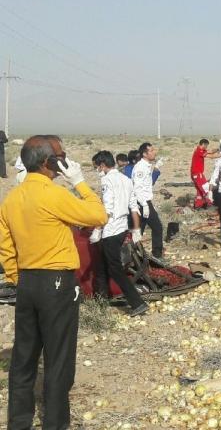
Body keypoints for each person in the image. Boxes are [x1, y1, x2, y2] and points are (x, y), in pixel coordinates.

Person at [0, 135, 108, 430]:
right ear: (50, 163)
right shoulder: (53, 195)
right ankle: (55, 424)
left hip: (26, 282)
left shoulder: (12, 198)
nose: (65, 159)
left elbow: (6, 247)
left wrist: (17, 278)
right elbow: (98, 215)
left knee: (24, 357)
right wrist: (80, 182)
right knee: (58, 359)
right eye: (62, 155)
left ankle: (19, 423)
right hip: (56, 282)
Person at [90, 150, 148, 316]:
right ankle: (101, 298)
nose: (97, 171)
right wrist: (136, 229)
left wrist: (97, 229)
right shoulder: (126, 179)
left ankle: (137, 303)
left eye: (97, 167)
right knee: (102, 265)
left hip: (110, 229)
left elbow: (107, 209)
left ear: (102, 165)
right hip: (122, 228)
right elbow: (133, 207)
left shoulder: (107, 181)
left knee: (114, 268)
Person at [132, 142, 166, 258]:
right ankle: (157, 254)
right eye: (151, 151)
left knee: (139, 230)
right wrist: (144, 204)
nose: (154, 152)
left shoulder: (146, 166)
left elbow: (148, 184)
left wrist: (156, 168)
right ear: (144, 154)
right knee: (157, 227)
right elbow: (137, 188)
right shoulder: (140, 168)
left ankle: (134, 254)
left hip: (145, 201)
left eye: (153, 150)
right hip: (142, 202)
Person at [190, 138, 220, 209]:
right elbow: (212, 156)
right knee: (205, 188)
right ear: (203, 144)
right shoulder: (199, 151)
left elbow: (210, 152)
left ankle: (198, 205)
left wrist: (218, 149)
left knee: (199, 190)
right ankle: (210, 204)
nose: (206, 147)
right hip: (197, 174)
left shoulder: (201, 150)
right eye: (206, 146)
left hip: (196, 173)